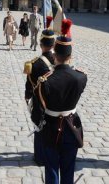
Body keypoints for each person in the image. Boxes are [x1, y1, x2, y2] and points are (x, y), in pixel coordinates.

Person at [32, 19, 87, 184]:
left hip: (50, 127)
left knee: (51, 169)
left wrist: (38, 124)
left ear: (55, 55)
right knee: (68, 169)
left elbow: (37, 111)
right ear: (70, 56)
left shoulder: (44, 81)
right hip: (72, 126)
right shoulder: (81, 77)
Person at [24, 16, 55, 166]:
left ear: (41, 44)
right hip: (57, 103)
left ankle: (40, 157)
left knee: (39, 127)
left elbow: (29, 86)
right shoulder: (61, 60)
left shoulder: (34, 64)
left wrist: (28, 99)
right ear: (54, 44)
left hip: (40, 103)